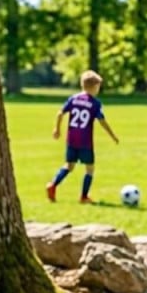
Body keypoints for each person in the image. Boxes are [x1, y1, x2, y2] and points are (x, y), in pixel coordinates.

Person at [46, 70, 119, 204]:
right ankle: (84, 196)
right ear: (94, 87)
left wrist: (57, 129)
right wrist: (113, 136)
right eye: (98, 86)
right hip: (85, 142)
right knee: (90, 169)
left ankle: (53, 184)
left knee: (69, 166)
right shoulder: (95, 103)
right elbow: (102, 121)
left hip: (71, 139)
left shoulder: (73, 99)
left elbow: (60, 113)